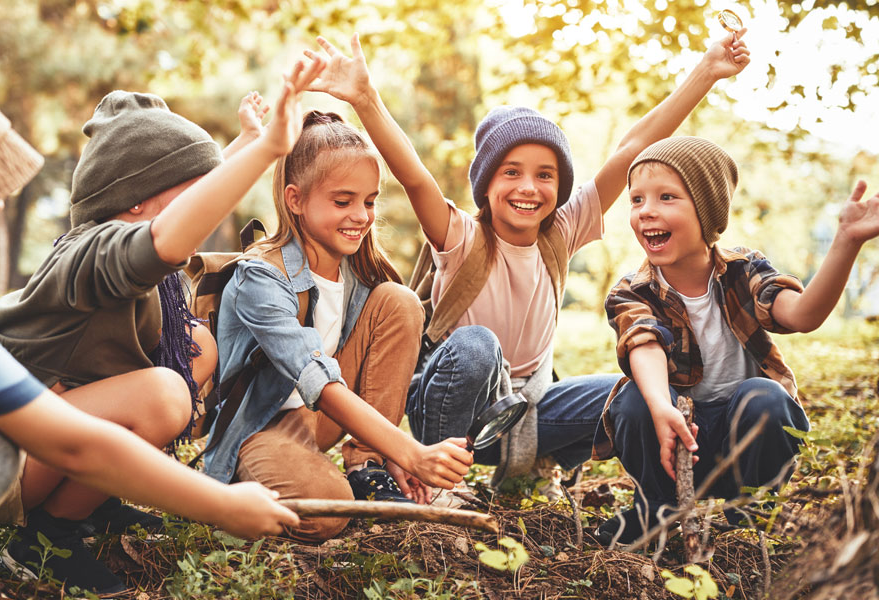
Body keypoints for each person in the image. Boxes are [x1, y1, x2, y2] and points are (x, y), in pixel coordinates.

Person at [0, 57, 302, 600]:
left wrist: (246, 142)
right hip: (22, 449)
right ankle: (43, 541)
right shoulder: (90, 254)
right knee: (163, 393)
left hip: (30, 428)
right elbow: (166, 236)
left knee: (194, 347)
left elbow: (178, 201)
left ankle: (88, 503)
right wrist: (220, 504)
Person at [304, 32, 750, 504]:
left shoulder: (562, 230)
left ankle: (537, 471)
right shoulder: (461, 237)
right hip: (453, 406)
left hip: (529, 410)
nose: (528, 187)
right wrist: (365, 98)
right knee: (478, 345)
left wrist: (707, 71)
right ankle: (434, 484)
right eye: (511, 172)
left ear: (560, 186)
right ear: (486, 182)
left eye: (545, 174)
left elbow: (634, 144)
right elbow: (413, 173)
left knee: (635, 392)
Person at [201, 110, 473, 541]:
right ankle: (250, 485)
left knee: (400, 302)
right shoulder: (262, 276)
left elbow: (372, 370)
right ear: (295, 199)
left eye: (369, 201)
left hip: (316, 423)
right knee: (330, 514)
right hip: (259, 428)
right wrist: (412, 451)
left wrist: (391, 454)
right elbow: (319, 380)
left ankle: (367, 466)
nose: (361, 216)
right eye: (342, 201)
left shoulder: (357, 273)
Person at [593, 136, 879, 545]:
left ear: (707, 212)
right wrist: (661, 408)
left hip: (742, 439)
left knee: (765, 396)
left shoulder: (744, 271)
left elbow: (803, 314)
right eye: (636, 200)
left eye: (666, 197)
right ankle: (655, 508)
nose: (646, 211)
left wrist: (847, 241)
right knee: (633, 400)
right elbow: (644, 343)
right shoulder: (632, 292)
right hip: (671, 440)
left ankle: (751, 510)